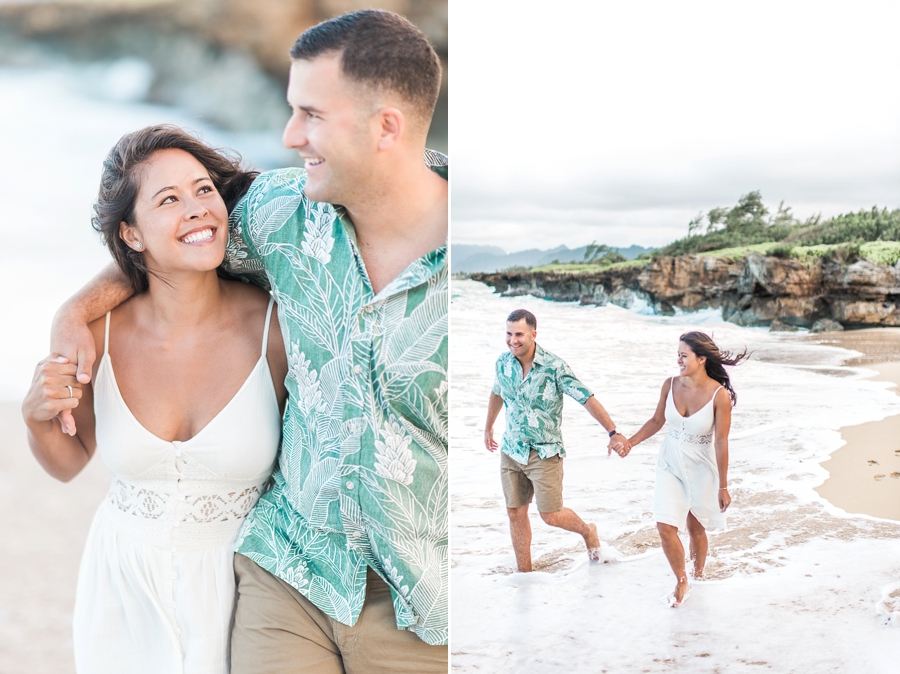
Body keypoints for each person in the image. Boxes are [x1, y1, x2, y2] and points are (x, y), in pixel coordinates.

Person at [49, 10, 448, 672]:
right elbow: (166, 236)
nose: (290, 136)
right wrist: (73, 311)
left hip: (426, 607)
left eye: (311, 114)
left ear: (387, 127)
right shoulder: (281, 212)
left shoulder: (479, 275)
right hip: (287, 572)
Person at [22, 125, 289, 671]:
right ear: (132, 234)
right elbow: (69, 463)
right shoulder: (100, 334)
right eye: (168, 199)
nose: (196, 209)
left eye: (204, 190)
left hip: (243, 586)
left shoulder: (277, 327)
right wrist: (36, 420)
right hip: (121, 582)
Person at [484, 309, 630, 572]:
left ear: (533, 334)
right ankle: (524, 574)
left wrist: (612, 432)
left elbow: (586, 397)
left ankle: (588, 531)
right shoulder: (502, 363)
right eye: (509, 334)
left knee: (550, 515)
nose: (513, 340)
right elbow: (497, 392)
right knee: (515, 512)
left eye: (519, 334)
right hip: (512, 449)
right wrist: (488, 427)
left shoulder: (554, 367)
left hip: (544, 451)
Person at [626, 331, 748, 607]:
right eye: (677, 354)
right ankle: (682, 580)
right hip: (670, 461)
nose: (678, 360)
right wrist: (630, 443)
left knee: (695, 528)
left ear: (701, 359)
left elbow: (720, 441)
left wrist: (723, 486)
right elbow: (657, 420)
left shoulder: (719, 396)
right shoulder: (670, 385)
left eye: (684, 355)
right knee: (665, 525)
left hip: (701, 465)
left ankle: (699, 574)